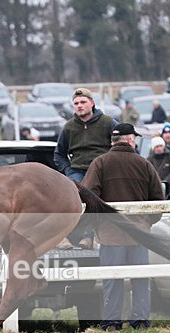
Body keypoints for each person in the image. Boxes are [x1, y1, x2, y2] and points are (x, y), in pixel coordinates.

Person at [81, 123, 165, 331]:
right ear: (130, 140)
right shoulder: (144, 164)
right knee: (140, 281)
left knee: (112, 281)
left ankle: (112, 322)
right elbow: (158, 200)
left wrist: (98, 224)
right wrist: (147, 222)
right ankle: (141, 320)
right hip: (139, 234)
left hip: (110, 235)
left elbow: (88, 195)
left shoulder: (100, 163)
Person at [54, 87, 118, 248]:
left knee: (94, 200)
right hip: (77, 171)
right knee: (65, 200)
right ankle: (63, 236)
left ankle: (89, 237)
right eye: (76, 103)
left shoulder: (108, 123)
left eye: (83, 102)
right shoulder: (69, 127)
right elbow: (59, 154)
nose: (79, 105)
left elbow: (120, 143)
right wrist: (68, 171)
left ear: (92, 103)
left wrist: (111, 167)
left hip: (101, 171)